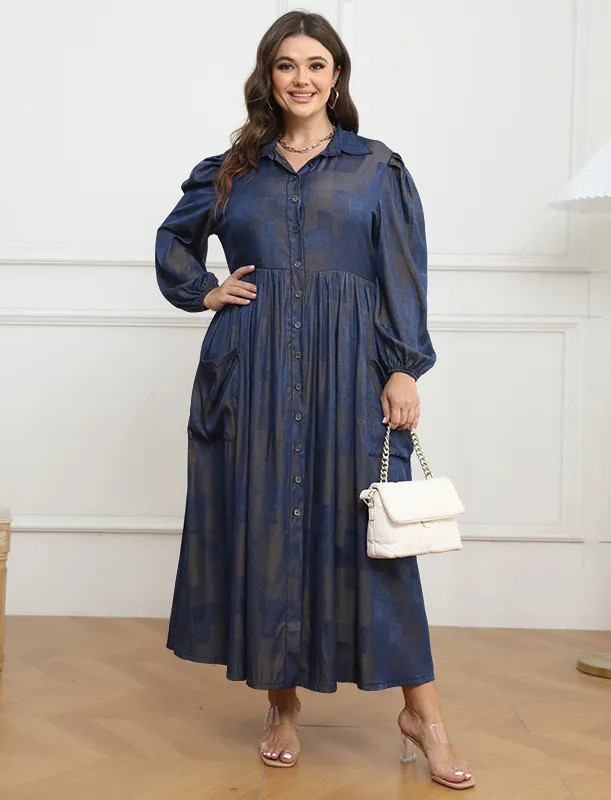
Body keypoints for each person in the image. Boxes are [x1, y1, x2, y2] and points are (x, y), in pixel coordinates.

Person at [154, 10, 474, 791]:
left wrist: (403, 368)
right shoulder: (232, 169)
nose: (302, 78)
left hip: (352, 374)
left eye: (316, 65)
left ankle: (425, 717)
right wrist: (205, 291)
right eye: (287, 65)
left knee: (378, 545)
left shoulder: (376, 168)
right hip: (252, 374)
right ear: (268, 76)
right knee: (269, 533)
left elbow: (403, 275)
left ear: (337, 77)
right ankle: (282, 707)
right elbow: (173, 241)